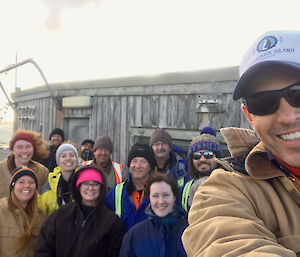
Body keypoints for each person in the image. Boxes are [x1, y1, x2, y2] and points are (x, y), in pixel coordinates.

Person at [182, 31, 300, 256]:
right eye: (264, 102)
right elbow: (226, 244)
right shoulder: (224, 192)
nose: (287, 116)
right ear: (250, 117)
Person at [35, 166, 125, 257]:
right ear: (78, 187)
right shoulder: (61, 214)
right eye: (86, 183)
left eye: (95, 184)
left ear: (101, 188)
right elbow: (44, 247)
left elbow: (115, 253)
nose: (90, 188)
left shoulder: (111, 221)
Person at [119, 173, 188, 257]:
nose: (161, 201)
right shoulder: (134, 235)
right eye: (155, 196)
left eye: (166, 195)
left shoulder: (188, 230)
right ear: (149, 199)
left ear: (174, 197)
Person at [106, 143, 155, 231]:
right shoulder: (116, 193)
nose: (138, 166)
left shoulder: (158, 192)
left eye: (143, 161)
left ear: (150, 166)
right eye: (134, 161)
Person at [0, 167, 46, 257]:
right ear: (13, 186)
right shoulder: (1, 210)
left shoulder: (40, 215)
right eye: (21, 182)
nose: (27, 186)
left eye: (31, 182)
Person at [180, 126, 224, 212]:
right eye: (197, 155)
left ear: (217, 158)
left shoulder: (228, 183)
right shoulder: (185, 189)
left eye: (208, 154)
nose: (202, 159)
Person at [0, 129, 49, 199]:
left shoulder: (42, 172)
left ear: (34, 149)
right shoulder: (1, 169)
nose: (24, 151)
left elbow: (46, 200)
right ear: (12, 150)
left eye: (28, 147)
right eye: (19, 147)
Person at [39, 143, 80, 216]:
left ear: (76, 159)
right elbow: (40, 212)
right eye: (63, 156)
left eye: (72, 155)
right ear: (58, 161)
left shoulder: (84, 181)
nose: (68, 158)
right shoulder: (49, 182)